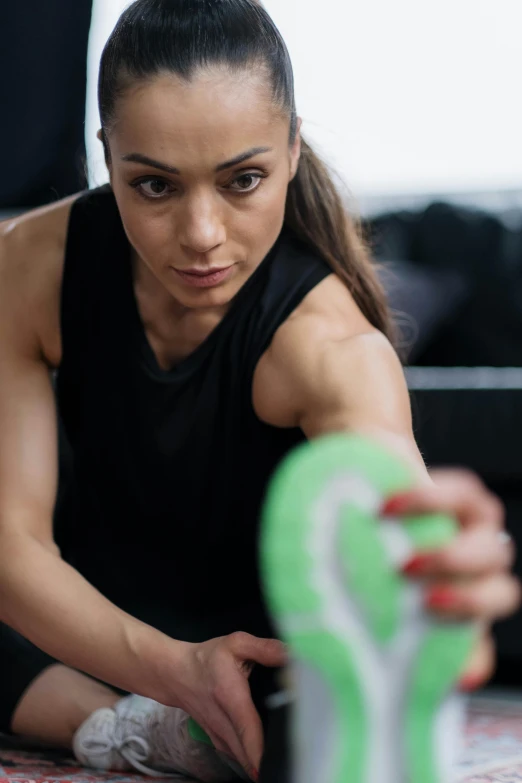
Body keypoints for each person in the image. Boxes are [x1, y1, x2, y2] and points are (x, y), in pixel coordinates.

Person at [0, 0, 518, 781]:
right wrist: (173, 671)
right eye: (154, 186)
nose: (203, 233)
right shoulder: (36, 263)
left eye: (243, 179)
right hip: (87, 628)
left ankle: (167, 725)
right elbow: (12, 546)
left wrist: (436, 589)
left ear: (292, 147)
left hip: (256, 661)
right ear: (107, 157)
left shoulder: (332, 349)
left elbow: (409, 554)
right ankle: (128, 726)